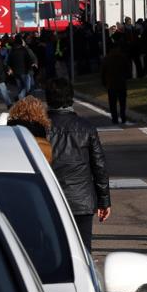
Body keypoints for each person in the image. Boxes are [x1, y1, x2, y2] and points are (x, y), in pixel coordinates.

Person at [46, 78, 110, 251]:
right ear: (71, 98)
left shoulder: (39, 129)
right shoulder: (86, 127)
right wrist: (104, 201)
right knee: (83, 251)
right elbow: (99, 167)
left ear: (48, 99)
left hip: (49, 199)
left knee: (54, 251)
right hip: (81, 200)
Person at [6, 95, 54, 163]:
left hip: (13, 157)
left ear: (18, 108)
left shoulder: (11, 124)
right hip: (34, 160)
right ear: (39, 111)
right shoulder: (40, 128)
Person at [101, 34, 132, 126]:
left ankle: (115, 118)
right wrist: (127, 76)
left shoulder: (107, 58)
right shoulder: (123, 57)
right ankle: (123, 117)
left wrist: (104, 82)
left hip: (111, 83)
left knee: (112, 103)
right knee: (122, 102)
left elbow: (103, 71)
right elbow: (127, 69)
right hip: (121, 82)